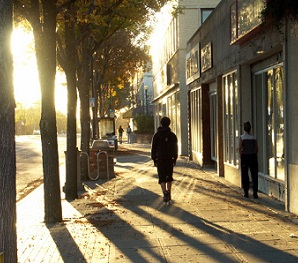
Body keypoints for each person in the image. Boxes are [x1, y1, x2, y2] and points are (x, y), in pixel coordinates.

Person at [151, 117, 178, 203]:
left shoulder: (157, 135)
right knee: (169, 176)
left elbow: (154, 148)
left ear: (161, 124)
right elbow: (175, 147)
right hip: (169, 158)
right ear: (169, 124)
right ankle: (169, 192)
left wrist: (154, 159)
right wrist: (175, 158)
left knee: (161, 176)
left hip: (160, 158)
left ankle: (164, 192)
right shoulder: (172, 135)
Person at [238, 121, 259, 198]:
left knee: (245, 174)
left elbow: (240, 147)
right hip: (252, 156)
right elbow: (257, 148)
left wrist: (241, 155)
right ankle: (255, 193)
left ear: (244, 129)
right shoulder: (253, 137)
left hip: (245, 156)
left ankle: (246, 192)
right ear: (250, 129)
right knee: (254, 175)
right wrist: (255, 154)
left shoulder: (242, 137)